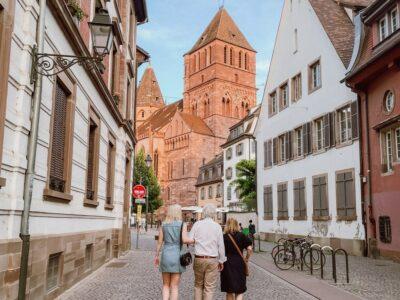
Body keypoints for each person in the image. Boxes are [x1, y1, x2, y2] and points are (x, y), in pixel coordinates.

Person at [155, 204, 194, 300]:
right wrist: (194, 240)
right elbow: (185, 240)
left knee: (165, 285)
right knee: (174, 286)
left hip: (166, 255)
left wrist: (156, 256)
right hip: (177, 256)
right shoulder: (182, 224)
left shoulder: (163, 224)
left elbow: (160, 242)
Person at [190, 204, 226, 300]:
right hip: (212, 259)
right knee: (209, 288)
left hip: (199, 258)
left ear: (203, 213)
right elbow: (221, 245)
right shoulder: (217, 226)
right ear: (214, 214)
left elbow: (190, 240)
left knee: (198, 286)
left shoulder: (197, 224)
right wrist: (222, 260)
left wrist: (197, 242)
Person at [221, 218, 253, 300]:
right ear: (237, 225)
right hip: (239, 263)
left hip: (227, 264)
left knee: (229, 290)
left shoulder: (224, 237)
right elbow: (249, 249)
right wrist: (246, 259)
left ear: (226, 225)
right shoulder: (241, 235)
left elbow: (220, 251)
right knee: (239, 291)